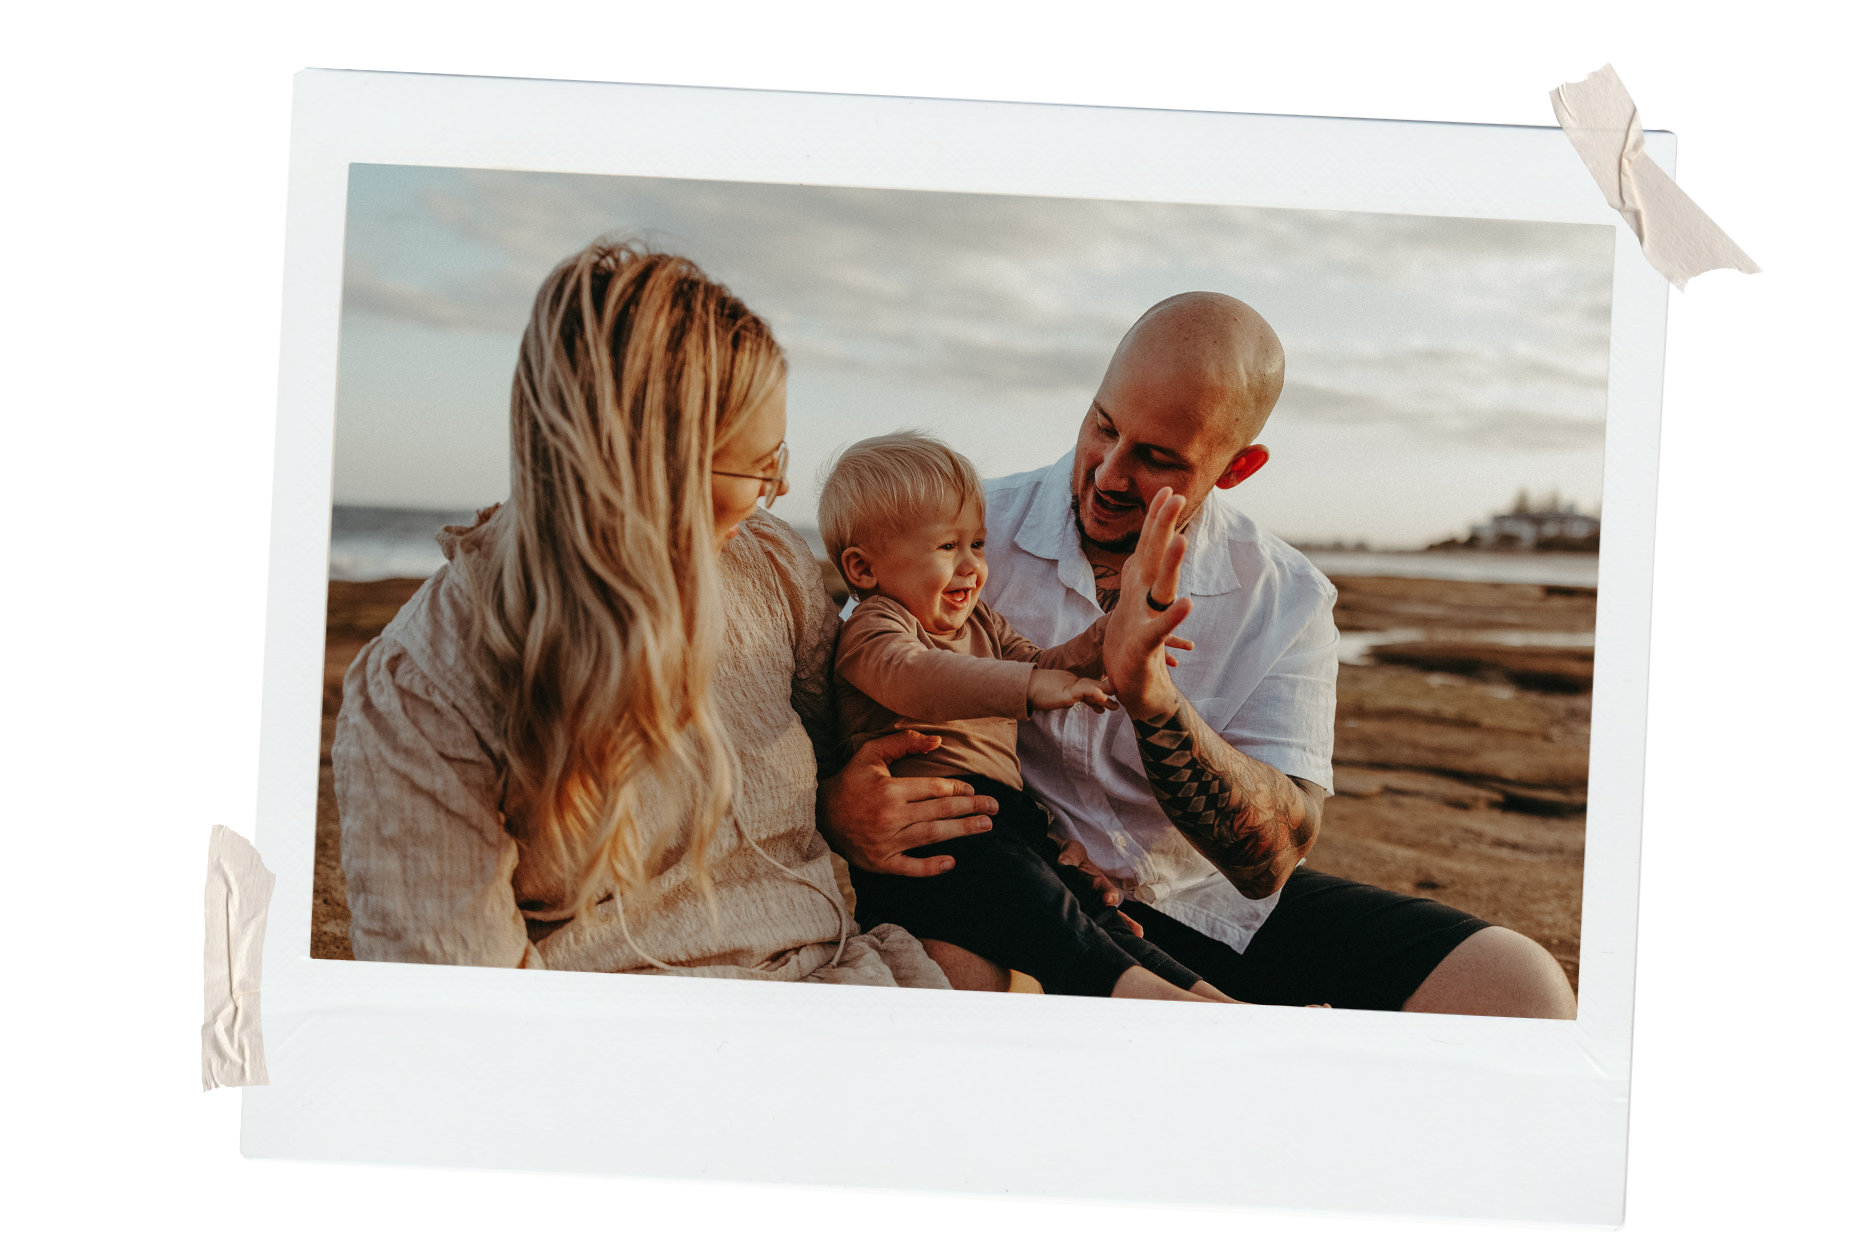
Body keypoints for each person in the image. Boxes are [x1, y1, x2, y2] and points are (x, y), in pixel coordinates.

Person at [824, 291, 1579, 1018]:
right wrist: (838, 807)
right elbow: (843, 690)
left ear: (1237, 467)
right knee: (953, 981)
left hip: (1202, 904)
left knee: (1517, 986)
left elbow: (1269, 860)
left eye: (1155, 458)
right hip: (1003, 880)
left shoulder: (1283, 596)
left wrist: (1152, 697)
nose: (1110, 474)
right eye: (1101, 426)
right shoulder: (955, 534)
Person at [333, 239, 995, 987]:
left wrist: (839, 809)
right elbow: (456, 1005)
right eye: (758, 466)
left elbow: (840, 751)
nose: (771, 495)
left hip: (844, 979)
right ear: (649, 466)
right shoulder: (422, 689)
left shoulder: (768, 562)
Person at [819, 432, 1231, 1002]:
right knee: (1057, 926)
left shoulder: (981, 625)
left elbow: (1042, 663)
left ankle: (1219, 1004)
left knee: (1094, 917)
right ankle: (1166, 1006)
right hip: (928, 839)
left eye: (979, 545)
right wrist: (1035, 688)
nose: (971, 567)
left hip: (1002, 822)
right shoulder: (875, 629)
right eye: (947, 548)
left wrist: (1104, 640)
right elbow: (917, 678)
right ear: (863, 569)